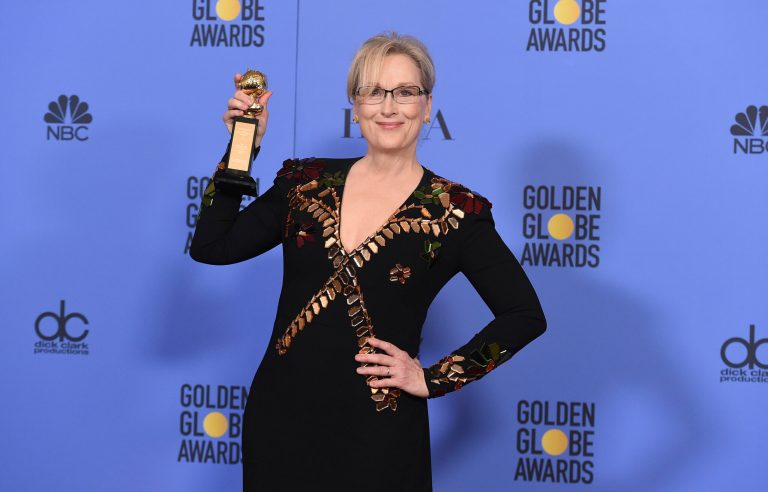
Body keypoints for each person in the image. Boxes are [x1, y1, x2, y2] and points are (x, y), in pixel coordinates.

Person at [190, 32, 547, 492]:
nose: (389, 107)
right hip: (280, 420)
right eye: (374, 92)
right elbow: (212, 246)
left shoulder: (455, 212)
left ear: (427, 105)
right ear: (355, 106)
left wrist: (434, 378)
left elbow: (525, 316)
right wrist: (242, 151)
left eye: (405, 92)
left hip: (380, 432)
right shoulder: (305, 184)